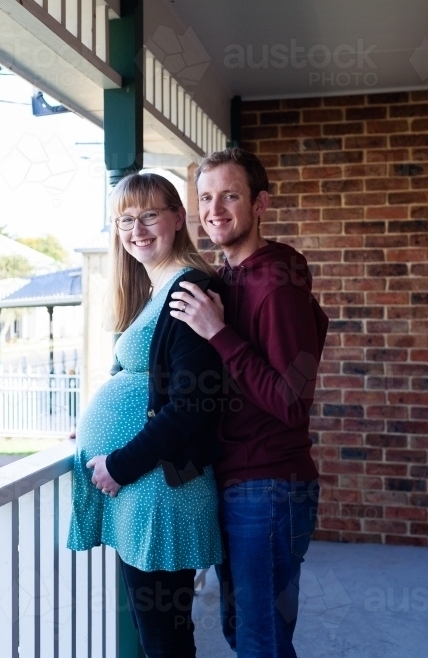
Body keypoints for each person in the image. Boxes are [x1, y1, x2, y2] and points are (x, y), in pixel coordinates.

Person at [169, 147, 328, 658]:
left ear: (260, 203)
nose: (215, 209)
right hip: (238, 480)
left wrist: (218, 332)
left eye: (230, 195)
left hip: (270, 487)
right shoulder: (230, 277)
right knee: (246, 634)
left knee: (261, 641)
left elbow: (289, 400)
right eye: (206, 197)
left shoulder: (275, 282)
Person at [68, 172, 226, 658]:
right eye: (124, 220)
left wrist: (119, 464)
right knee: (155, 630)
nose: (137, 229)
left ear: (179, 218)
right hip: (145, 490)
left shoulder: (187, 291)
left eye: (149, 215)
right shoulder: (157, 289)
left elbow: (193, 404)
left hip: (160, 488)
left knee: (164, 639)